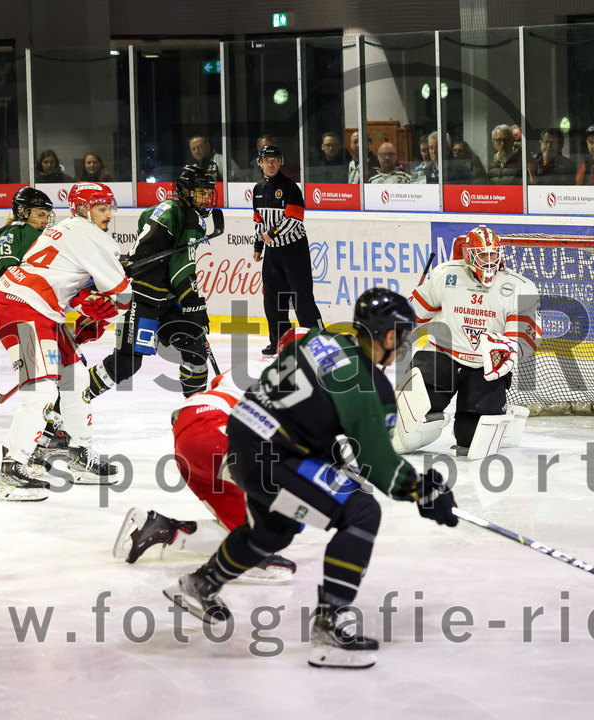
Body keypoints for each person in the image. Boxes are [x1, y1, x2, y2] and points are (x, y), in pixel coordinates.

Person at [163, 288, 458, 669]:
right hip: (274, 457)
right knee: (362, 512)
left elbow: (283, 394)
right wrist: (423, 490)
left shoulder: (320, 339)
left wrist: (317, 451)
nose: (401, 346)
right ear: (387, 336)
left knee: (274, 531)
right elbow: (380, 467)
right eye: (401, 337)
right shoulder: (369, 386)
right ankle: (329, 626)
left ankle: (201, 584)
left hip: (241, 443)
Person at [110, 328, 308, 582]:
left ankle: (162, 529)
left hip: (192, 436)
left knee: (252, 538)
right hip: (214, 432)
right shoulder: (293, 377)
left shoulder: (263, 366)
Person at [0, 182, 131, 501]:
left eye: (110, 207)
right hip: (24, 307)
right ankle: (12, 471)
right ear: (83, 210)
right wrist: (107, 301)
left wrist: (84, 298)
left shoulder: (66, 228)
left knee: (76, 378)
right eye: (101, 208)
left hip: (37, 308)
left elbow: (59, 274)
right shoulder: (92, 237)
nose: (109, 214)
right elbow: (122, 295)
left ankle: (80, 455)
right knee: (40, 391)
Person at [393, 226, 542, 457]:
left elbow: (525, 335)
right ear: (469, 255)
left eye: (493, 254)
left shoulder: (519, 286)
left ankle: (504, 416)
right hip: (442, 355)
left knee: (469, 442)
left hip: (485, 366)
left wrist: (509, 355)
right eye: (483, 254)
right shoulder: (445, 274)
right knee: (407, 420)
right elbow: (415, 312)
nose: (489, 260)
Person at [88, 165, 224, 401]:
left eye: (207, 193)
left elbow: (144, 221)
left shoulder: (164, 208)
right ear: (184, 191)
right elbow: (182, 269)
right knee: (126, 363)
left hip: (163, 298)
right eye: (200, 192)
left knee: (195, 352)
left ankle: (193, 409)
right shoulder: (191, 218)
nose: (205, 198)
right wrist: (194, 305)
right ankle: (75, 398)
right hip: (140, 297)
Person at [251, 145, 323, 356]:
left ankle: (317, 340)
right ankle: (279, 341)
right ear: (260, 163)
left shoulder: (291, 187)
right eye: (267, 160)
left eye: (275, 160)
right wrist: (258, 245)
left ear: (280, 162)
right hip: (273, 253)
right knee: (272, 300)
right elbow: (258, 220)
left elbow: (295, 219)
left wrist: (272, 233)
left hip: (294, 250)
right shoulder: (257, 189)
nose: (271, 163)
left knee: (302, 299)